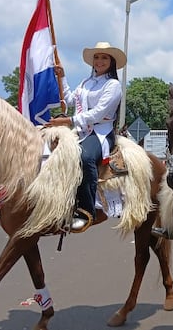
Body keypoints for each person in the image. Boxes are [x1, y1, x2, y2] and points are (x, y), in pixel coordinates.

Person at [48, 41, 125, 233]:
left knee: (85, 157)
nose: (99, 61)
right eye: (97, 57)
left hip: (101, 132)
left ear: (111, 62)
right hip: (81, 130)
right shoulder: (85, 83)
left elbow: (98, 114)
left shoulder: (113, 85)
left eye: (104, 57)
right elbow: (69, 100)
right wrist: (63, 77)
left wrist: (69, 120)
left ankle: (86, 210)